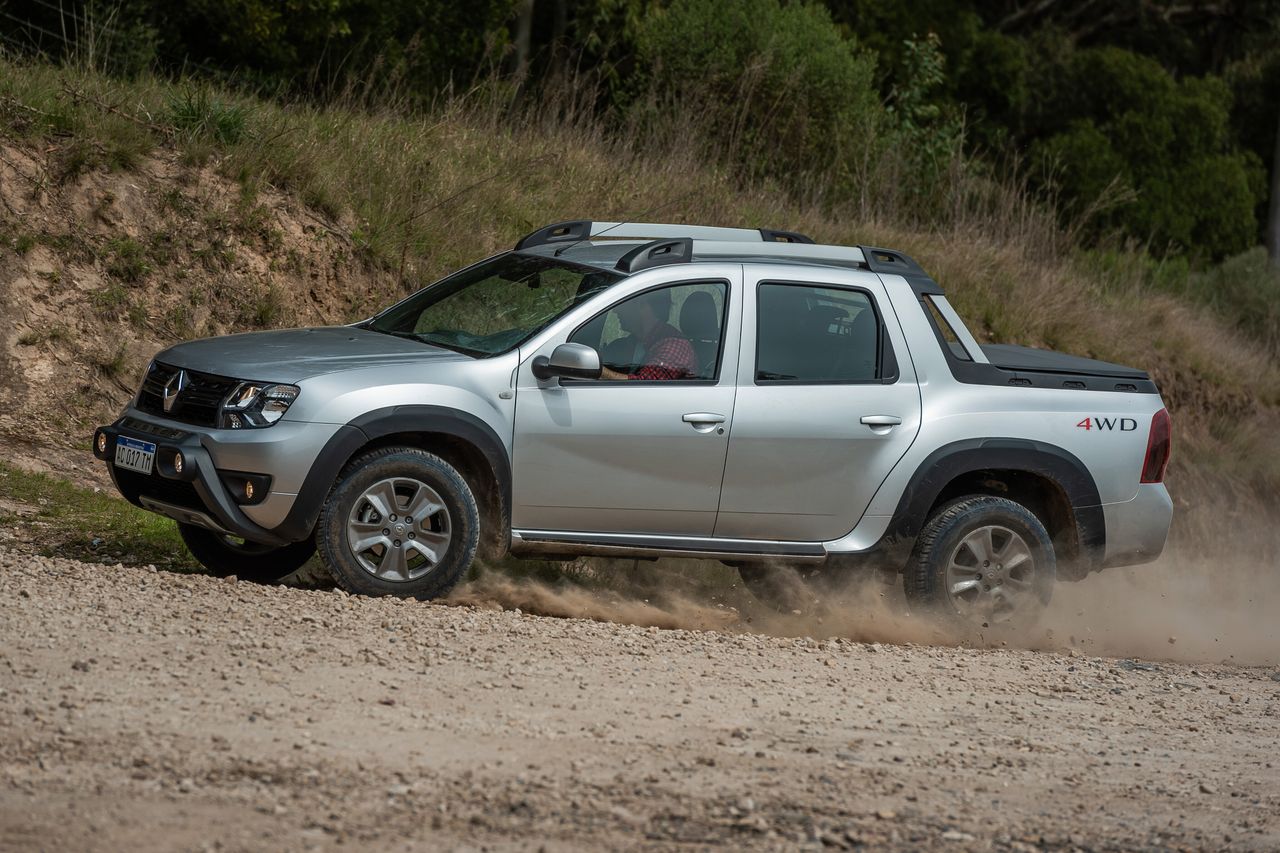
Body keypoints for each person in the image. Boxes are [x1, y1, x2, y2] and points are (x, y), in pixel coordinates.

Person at [599, 290, 697, 381]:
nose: (615, 310)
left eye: (623, 302)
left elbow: (642, 387)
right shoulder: (632, 342)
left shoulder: (675, 346)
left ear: (642, 304)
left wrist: (599, 371)